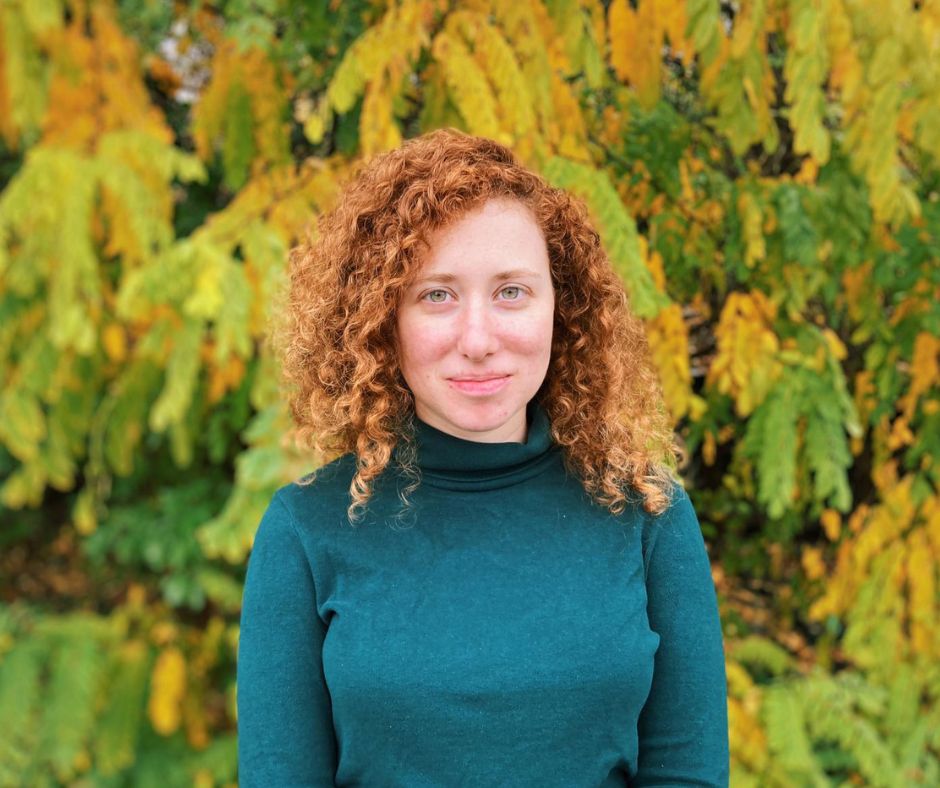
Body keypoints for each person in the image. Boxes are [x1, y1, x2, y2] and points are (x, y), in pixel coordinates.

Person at [236, 128, 729, 787]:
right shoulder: (306, 529)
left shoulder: (647, 514)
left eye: (511, 292)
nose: (477, 339)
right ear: (383, 318)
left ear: (563, 308)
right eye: (436, 294)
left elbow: (687, 774)